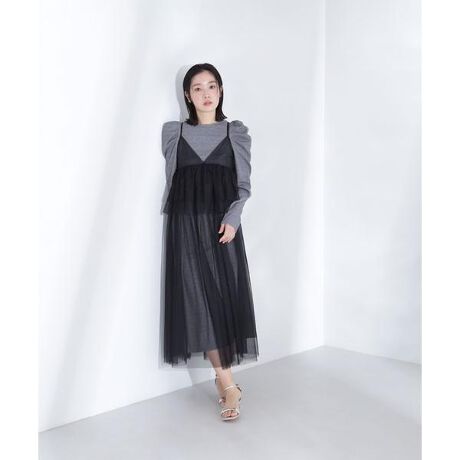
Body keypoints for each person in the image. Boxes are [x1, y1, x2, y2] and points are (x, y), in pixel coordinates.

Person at [161, 63, 259, 421]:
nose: (206, 93)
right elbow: (174, 182)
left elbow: (244, 185)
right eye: (198, 88)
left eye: (212, 86)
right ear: (188, 96)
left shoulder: (235, 132)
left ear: (220, 91)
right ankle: (228, 383)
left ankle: (226, 382)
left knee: (220, 303)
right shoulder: (174, 133)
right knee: (198, 304)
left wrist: (233, 218)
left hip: (221, 229)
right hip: (185, 229)